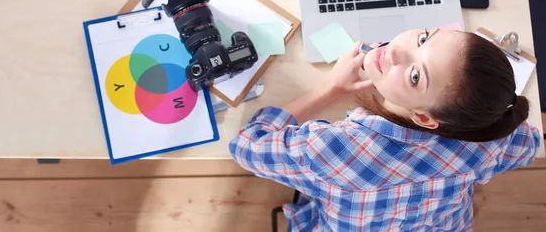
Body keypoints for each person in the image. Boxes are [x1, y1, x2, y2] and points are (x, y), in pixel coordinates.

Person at [229, 28, 540, 231]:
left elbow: (247, 145)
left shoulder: (331, 150)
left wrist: (330, 89)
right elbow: (529, 145)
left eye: (416, 77)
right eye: (424, 39)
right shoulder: (490, 135)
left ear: (425, 118)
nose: (394, 52)